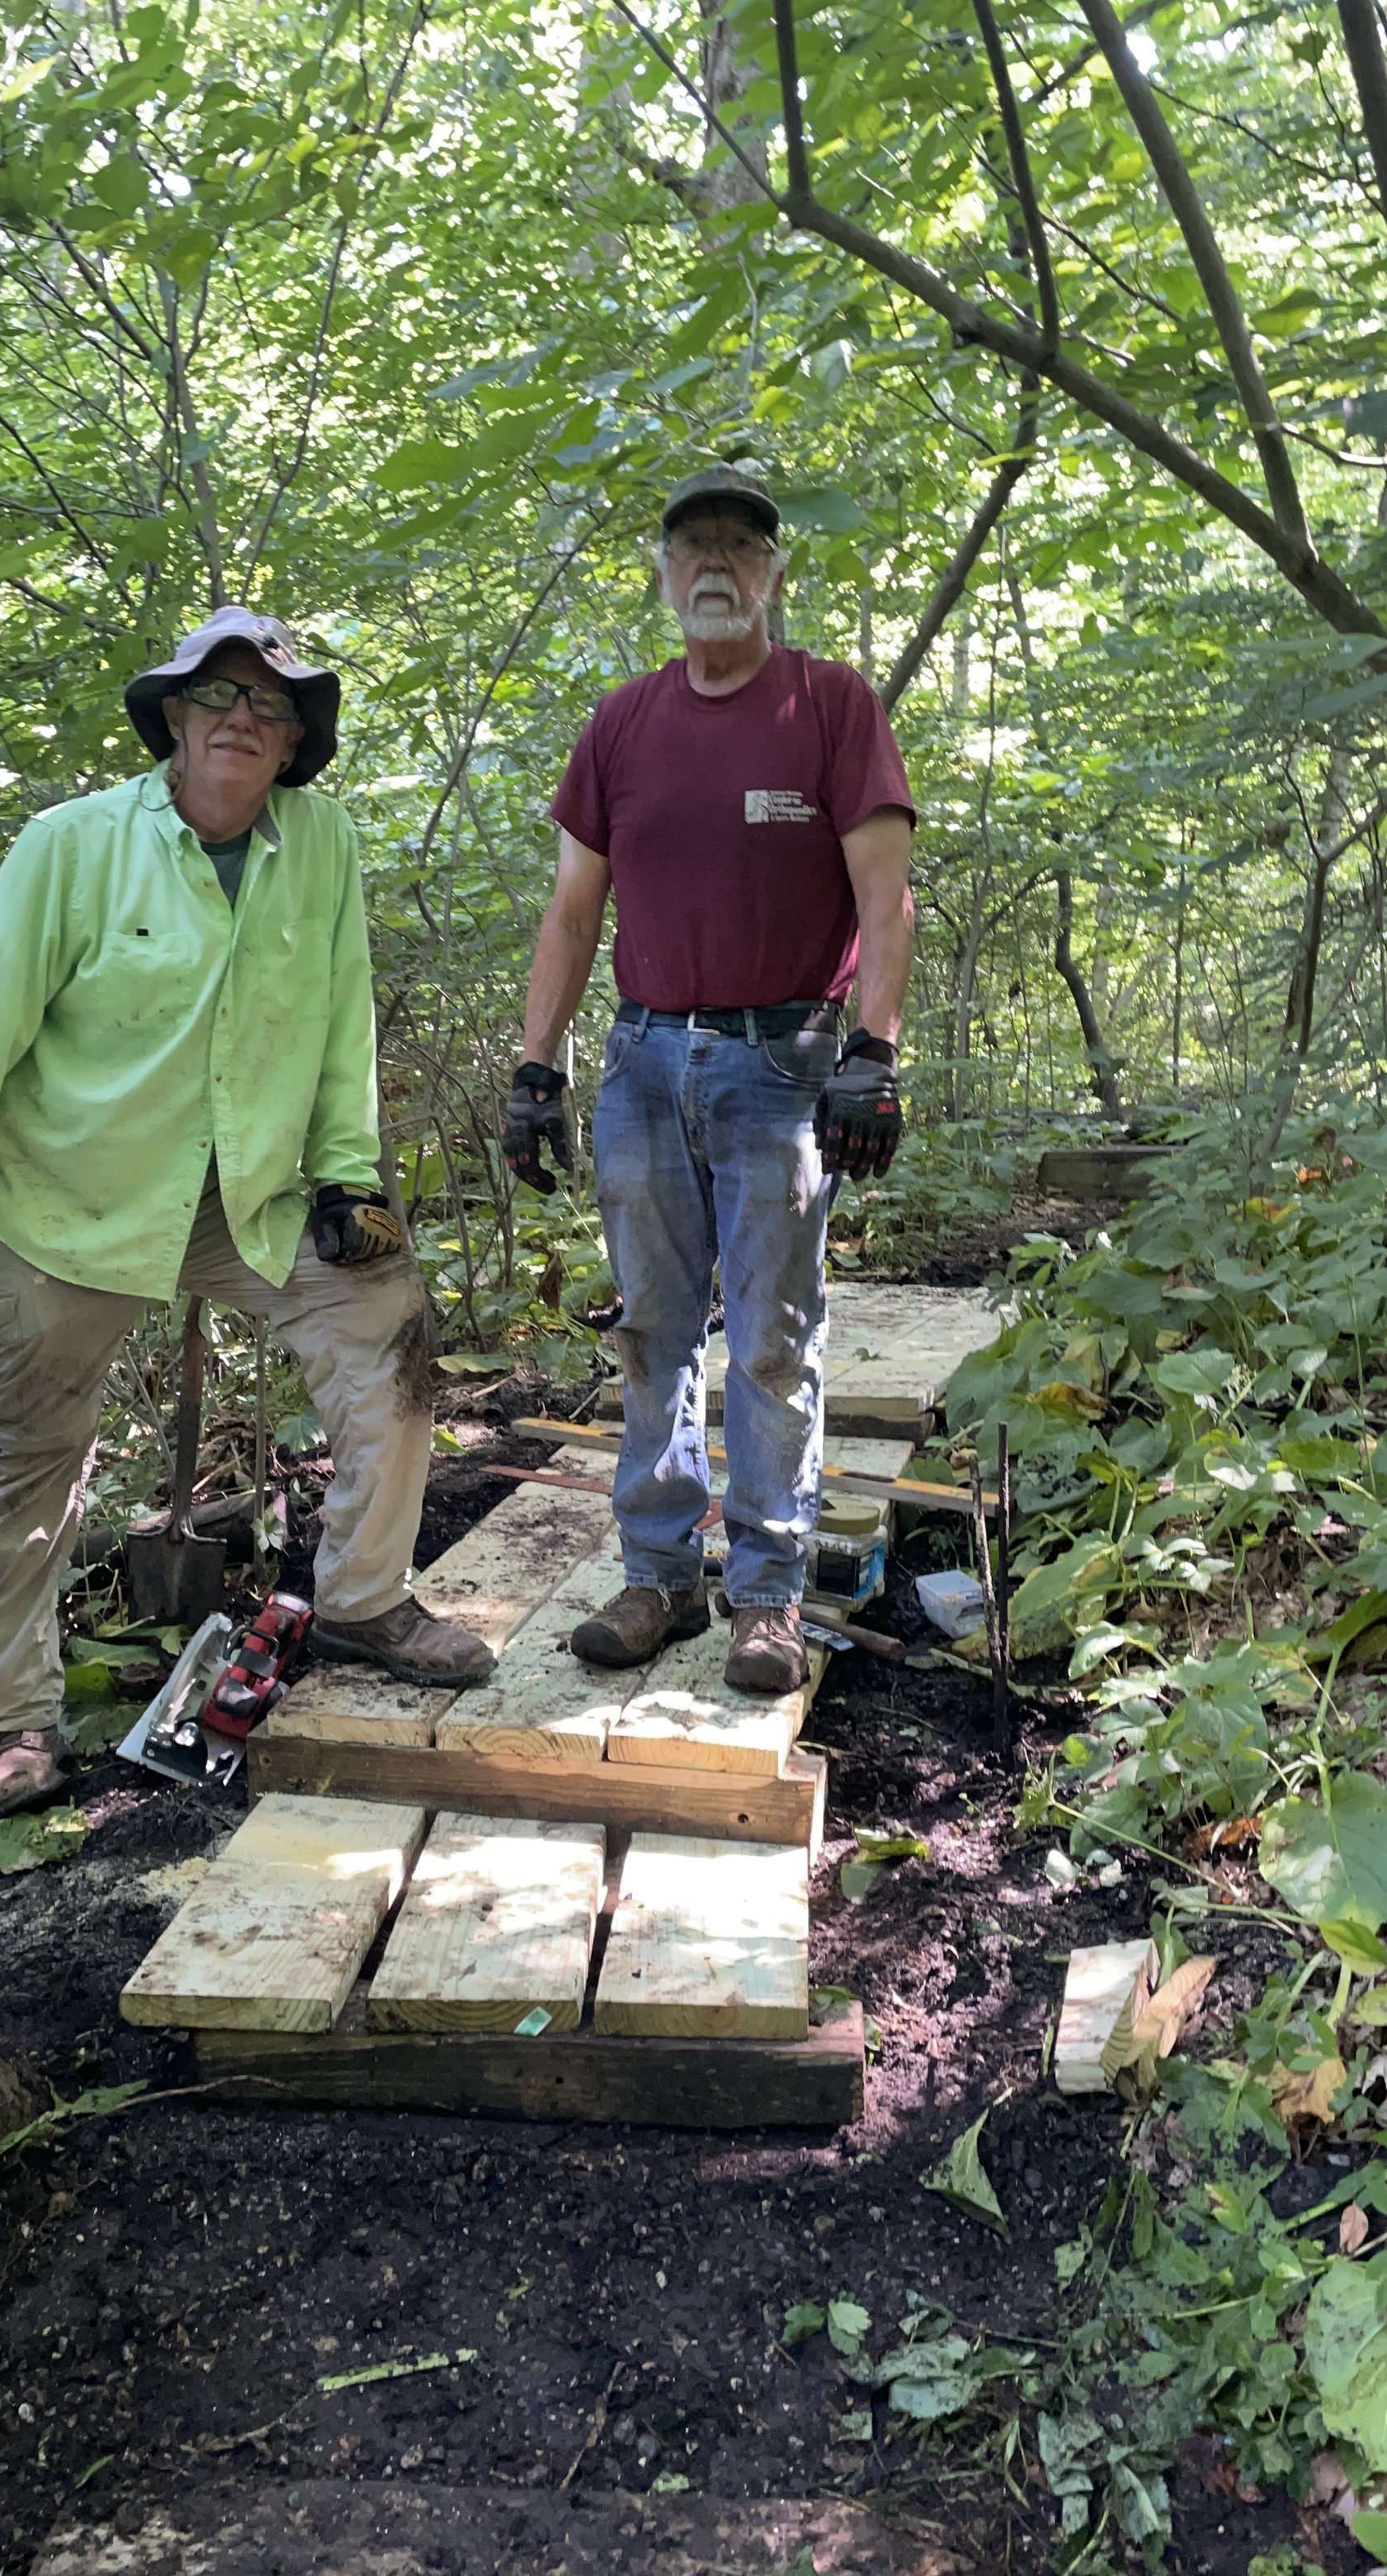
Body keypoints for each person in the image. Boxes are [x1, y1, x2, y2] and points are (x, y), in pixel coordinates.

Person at [0, 604, 492, 1819]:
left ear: (293, 746)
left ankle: (366, 1599)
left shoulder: (319, 842)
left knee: (392, 1330)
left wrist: (348, 1173)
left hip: (253, 1194)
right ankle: (15, 1714)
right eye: (217, 699)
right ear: (173, 718)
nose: (241, 721)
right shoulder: (70, 846)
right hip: (76, 1201)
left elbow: (342, 1011)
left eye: (270, 709)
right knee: (28, 1454)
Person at [504, 467, 914, 1696]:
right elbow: (575, 915)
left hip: (780, 1067)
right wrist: (536, 1066)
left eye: (742, 545)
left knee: (774, 1342)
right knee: (651, 1330)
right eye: (695, 548)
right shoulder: (621, 725)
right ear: (665, 573)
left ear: (775, 572)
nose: (717, 566)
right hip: (640, 1063)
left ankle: (770, 1596)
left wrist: (874, 1054)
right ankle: (660, 1573)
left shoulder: (830, 707)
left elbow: (887, 899)